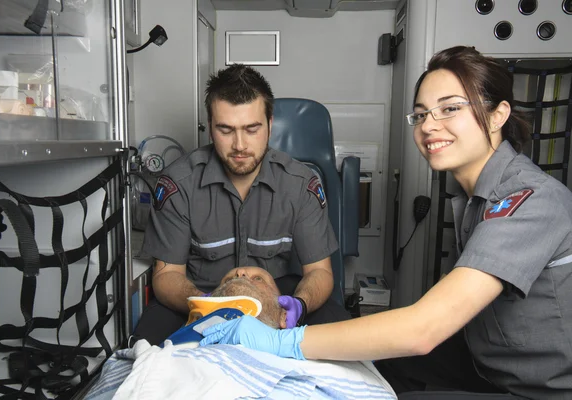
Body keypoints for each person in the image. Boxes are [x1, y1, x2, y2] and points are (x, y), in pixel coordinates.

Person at [199, 46, 572, 400]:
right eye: (422, 114)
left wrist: (282, 341)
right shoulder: (477, 200)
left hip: (539, 390)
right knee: (368, 365)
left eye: (450, 108)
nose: (429, 126)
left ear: (498, 115)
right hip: (483, 364)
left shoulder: (529, 201)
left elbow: (423, 330)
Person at [132, 64, 351, 346]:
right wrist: (207, 304)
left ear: (270, 125)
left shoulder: (300, 183)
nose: (239, 145)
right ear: (210, 128)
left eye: (251, 129)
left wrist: (299, 305)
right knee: (147, 347)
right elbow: (167, 275)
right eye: (226, 130)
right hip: (201, 293)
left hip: (276, 294)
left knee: (341, 336)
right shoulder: (178, 183)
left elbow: (319, 272)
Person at [85, 267, 396, 400]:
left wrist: (279, 339)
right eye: (233, 277)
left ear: (284, 313)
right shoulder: (154, 357)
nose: (243, 274)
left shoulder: (319, 356)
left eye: (259, 280)